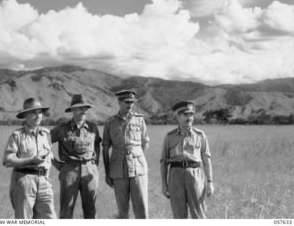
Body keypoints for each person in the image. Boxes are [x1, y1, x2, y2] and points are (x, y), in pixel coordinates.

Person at [2, 98, 56, 219]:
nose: (38, 116)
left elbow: (49, 157)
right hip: (24, 181)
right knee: (24, 219)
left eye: (39, 112)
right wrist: (31, 160)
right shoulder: (17, 135)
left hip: (44, 181)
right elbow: (7, 160)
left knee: (50, 218)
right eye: (33, 112)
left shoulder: (46, 134)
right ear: (25, 115)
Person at [160, 100, 214, 219]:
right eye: (185, 114)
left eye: (191, 114)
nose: (189, 117)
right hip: (175, 176)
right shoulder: (170, 137)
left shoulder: (200, 135)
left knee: (199, 214)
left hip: (195, 176)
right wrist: (164, 185)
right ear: (178, 116)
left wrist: (210, 182)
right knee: (179, 215)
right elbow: (164, 162)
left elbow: (206, 158)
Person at [50, 94, 101, 218]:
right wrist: (55, 163)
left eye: (85, 108)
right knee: (66, 210)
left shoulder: (93, 127)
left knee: (90, 211)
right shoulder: (61, 129)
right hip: (69, 171)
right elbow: (44, 143)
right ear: (72, 110)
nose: (83, 111)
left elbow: (97, 145)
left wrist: (95, 164)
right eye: (79, 108)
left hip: (90, 170)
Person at [102, 89, 150, 219]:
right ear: (119, 102)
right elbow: (105, 148)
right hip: (118, 171)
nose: (130, 105)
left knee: (141, 209)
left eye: (132, 102)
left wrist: (137, 156)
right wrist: (107, 173)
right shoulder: (110, 122)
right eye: (127, 102)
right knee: (122, 210)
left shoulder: (139, 120)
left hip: (138, 169)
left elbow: (145, 142)